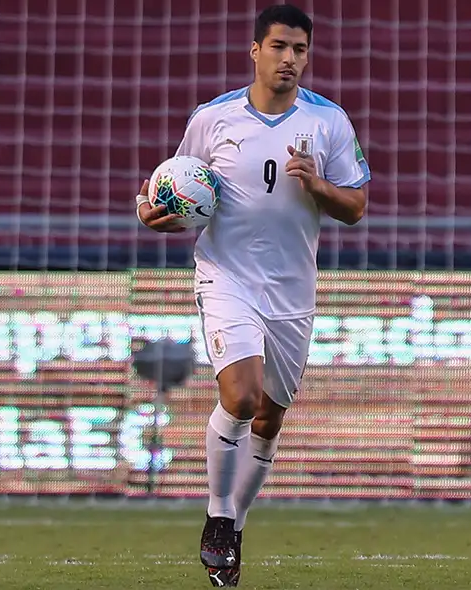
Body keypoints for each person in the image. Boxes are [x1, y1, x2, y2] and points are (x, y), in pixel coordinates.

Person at [136, 4, 370, 587]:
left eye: (300, 50)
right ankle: (219, 516)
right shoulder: (213, 118)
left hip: (292, 288)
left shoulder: (328, 122)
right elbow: (169, 184)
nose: (289, 58)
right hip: (227, 277)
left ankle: (235, 524)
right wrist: (149, 211)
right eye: (279, 46)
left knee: (269, 417)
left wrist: (317, 184)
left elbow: (356, 207)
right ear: (256, 50)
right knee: (240, 398)